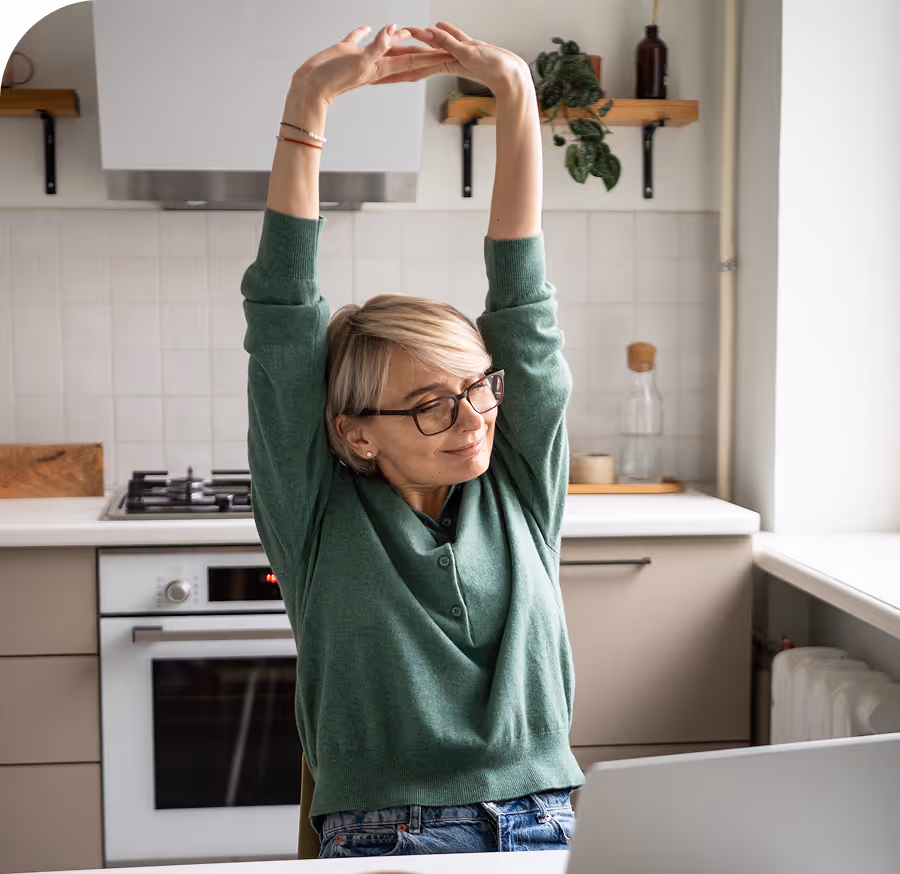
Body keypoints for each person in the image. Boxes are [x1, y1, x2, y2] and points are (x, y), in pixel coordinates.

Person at [240, 20, 584, 859]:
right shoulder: (319, 520)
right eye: (432, 405)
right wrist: (307, 103)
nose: (473, 422)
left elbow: (524, 311)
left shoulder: (518, 491)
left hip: (548, 820)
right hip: (389, 834)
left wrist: (515, 97)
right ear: (356, 434)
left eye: (478, 388)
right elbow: (285, 323)